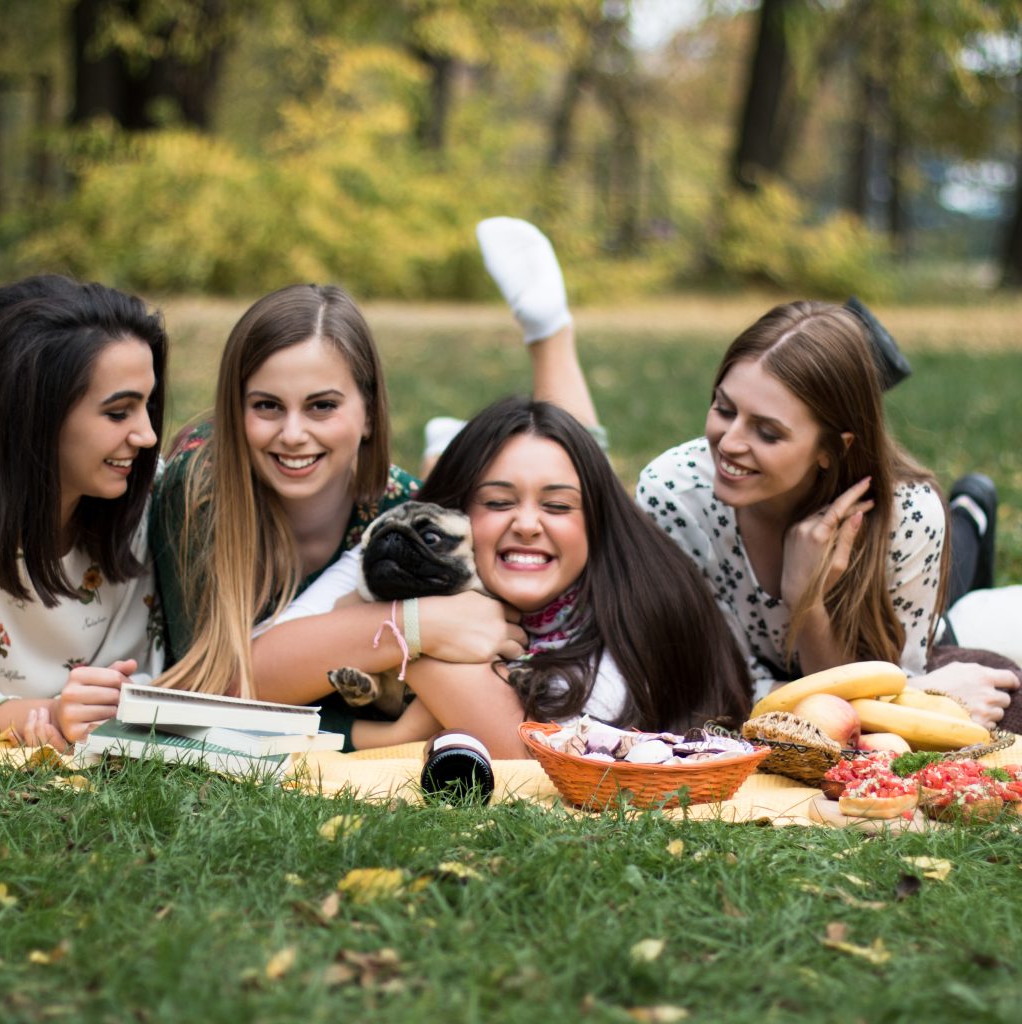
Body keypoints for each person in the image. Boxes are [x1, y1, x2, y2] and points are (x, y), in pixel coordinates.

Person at [151, 219, 593, 733]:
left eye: (322, 406)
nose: (293, 434)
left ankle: (549, 337)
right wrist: (412, 628)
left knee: (570, 480)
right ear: (234, 409)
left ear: (368, 414)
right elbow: (207, 692)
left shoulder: (396, 511)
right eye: (267, 406)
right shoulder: (200, 488)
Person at [256, 396, 753, 756]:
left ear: (595, 522)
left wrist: (410, 644)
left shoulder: (633, 606)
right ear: (455, 510)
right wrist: (419, 619)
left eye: (558, 506)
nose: (528, 524)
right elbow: (243, 677)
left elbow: (526, 757)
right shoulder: (416, 545)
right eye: (497, 502)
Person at [636, 300, 1019, 729]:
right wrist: (901, 699)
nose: (727, 443)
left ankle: (970, 509)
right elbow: (707, 685)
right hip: (819, 679)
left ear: (832, 448)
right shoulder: (675, 494)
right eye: (724, 409)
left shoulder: (909, 516)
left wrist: (808, 602)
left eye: (767, 432)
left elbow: (894, 683)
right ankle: (968, 510)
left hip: (900, 596)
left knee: (954, 594)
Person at [0, 274, 166, 749]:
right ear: (33, 414)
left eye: (147, 406)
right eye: (119, 413)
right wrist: (46, 713)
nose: (148, 435)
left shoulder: (152, 499)